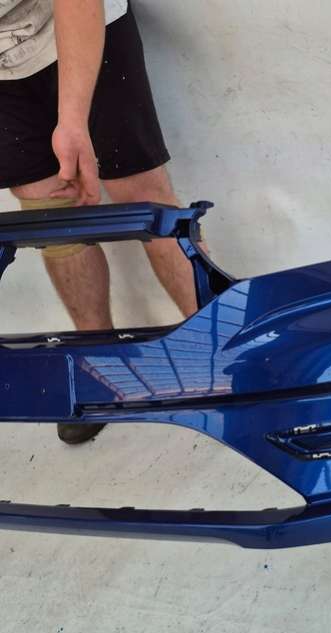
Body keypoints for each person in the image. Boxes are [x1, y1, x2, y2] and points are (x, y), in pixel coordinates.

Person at [0, 0, 202, 444]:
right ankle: (99, 364)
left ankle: (224, 352)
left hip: (74, 20)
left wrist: (73, 121)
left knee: (141, 195)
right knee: (47, 214)